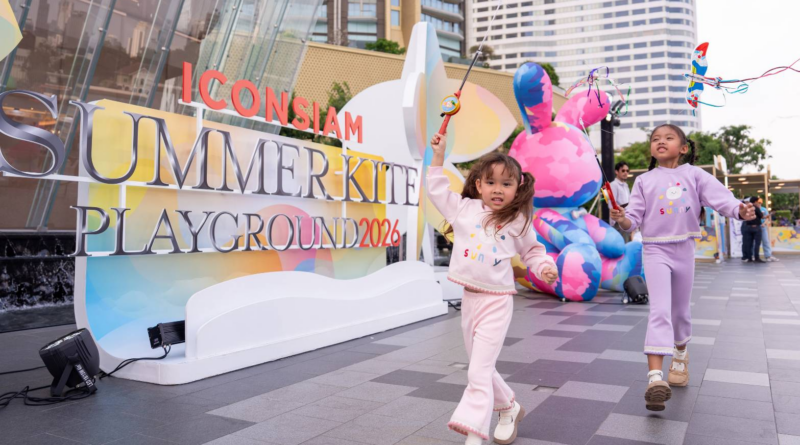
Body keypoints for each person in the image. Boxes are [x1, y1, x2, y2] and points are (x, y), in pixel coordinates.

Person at [610, 124, 755, 411]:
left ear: (684, 148)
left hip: (685, 248)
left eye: (668, 138)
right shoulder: (644, 181)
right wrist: (621, 218)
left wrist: (739, 209)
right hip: (655, 249)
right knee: (659, 310)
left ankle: (680, 354)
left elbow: (722, 199)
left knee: (680, 311)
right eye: (655, 139)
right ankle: (655, 379)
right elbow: (632, 220)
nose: (660, 142)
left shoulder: (695, 175)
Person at [428, 133, 558, 445]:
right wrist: (438, 155)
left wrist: (544, 266)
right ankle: (509, 408)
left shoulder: (517, 221)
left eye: (506, 183)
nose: (498, 189)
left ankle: (474, 434)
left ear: (518, 188)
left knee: (477, 372)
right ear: (478, 186)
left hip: (497, 302)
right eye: (491, 182)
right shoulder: (463, 209)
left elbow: (533, 252)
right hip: (470, 299)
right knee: (481, 367)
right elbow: (436, 189)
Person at [610, 161, 632, 242]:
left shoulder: (626, 185)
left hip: (627, 219)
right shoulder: (613, 185)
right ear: (616, 171)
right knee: (622, 244)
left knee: (627, 243)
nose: (625, 173)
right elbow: (611, 205)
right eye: (623, 170)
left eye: (627, 171)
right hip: (618, 220)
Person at [742, 196, 765, 263]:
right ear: (755, 201)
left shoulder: (747, 207)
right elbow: (761, 216)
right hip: (756, 227)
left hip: (748, 227)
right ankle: (756, 257)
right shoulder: (756, 208)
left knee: (749, 243)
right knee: (757, 243)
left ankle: (749, 258)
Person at [758, 197, 779, 262]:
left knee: (765, 241)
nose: (759, 203)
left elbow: (767, 218)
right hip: (756, 226)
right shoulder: (754, 209)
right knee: (754, 242)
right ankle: (753, 255)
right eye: (758, 202)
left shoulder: (764, 209)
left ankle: (768, 255)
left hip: (763, 226)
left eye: (760, 202)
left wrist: (764, 223)